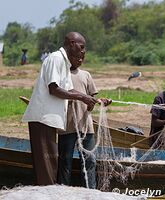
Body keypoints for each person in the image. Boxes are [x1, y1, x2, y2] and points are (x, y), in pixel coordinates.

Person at [22, 32, 98, 185]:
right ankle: (47, 194)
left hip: (50, 120)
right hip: (42, 119)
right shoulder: (56, 59)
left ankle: (49, 193)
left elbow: (69, 90)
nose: (83, 51)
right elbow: (54, 89)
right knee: (47, 167)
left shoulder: (64, 63)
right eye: (81, 47)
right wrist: (83, 97)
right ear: (71, 43)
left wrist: (88, 97)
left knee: (51, 165)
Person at [57, 55, 111, 188]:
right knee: (65, 161)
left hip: (86, 126)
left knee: (90, 161)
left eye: (82, 58)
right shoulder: (61, 75)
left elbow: (90, 103)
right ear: (68, 57)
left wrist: (98, 102)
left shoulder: (86, 75)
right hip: (66, 126)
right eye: (77, 57)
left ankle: (90, 191)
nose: (80, 59)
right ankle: (62, 191)